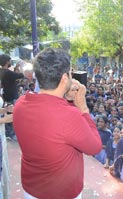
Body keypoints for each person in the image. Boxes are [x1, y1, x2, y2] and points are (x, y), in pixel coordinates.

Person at [13, 48, 102, 199]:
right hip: (61, 193)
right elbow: (94, 147)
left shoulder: (21, 103)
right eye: (70, 72)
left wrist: (65, 98)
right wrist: (82, 107)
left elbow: (50, 119)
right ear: (64, 78)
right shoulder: (69, 115)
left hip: (31, 189)